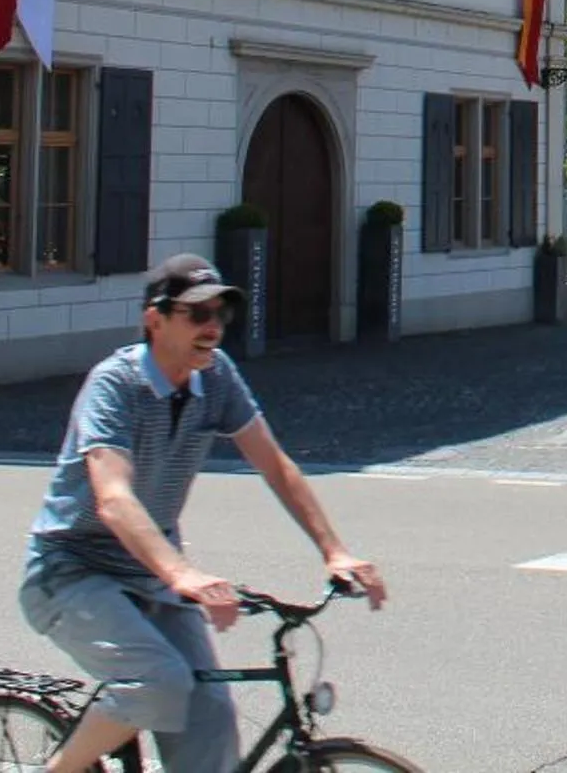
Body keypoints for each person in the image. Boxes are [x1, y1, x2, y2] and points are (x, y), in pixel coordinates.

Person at [20, 255, 386, 773]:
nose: (212, 326)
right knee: (160, 682)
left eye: (220, 314)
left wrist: (335, 550)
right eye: (197, 314)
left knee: (210, 712)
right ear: (155, 319)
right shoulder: (114, 385)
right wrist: (183, 573)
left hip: (150, 576)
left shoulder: (215, 378)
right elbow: (114, 498)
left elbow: (275, 465)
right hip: (71, 570)